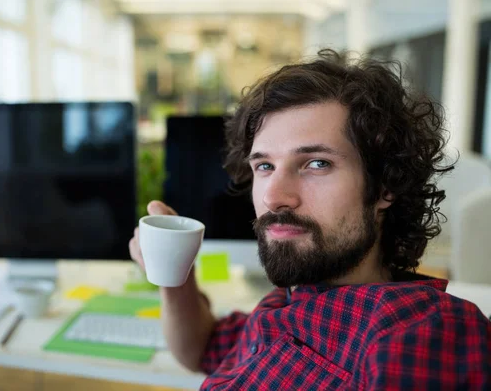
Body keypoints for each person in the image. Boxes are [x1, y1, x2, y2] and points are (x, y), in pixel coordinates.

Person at [129, 50, 491, 390]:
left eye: (317, 164)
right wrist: (175, 275)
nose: (274, 195)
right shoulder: (294, 296)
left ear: (385, 185)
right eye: (265, 166)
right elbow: (204, 348)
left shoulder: (422, 336)